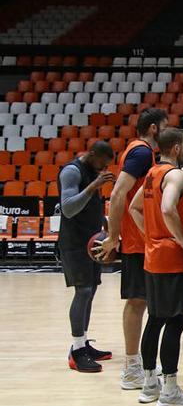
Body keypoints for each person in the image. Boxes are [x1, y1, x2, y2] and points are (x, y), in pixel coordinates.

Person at [128, 127, 183, 406]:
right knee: (175, 321)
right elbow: (168, 208)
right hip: (172, 259)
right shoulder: (175, 174)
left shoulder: (151, 174)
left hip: (152, 256)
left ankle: (150, 384)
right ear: (175, 148)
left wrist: (153, 235)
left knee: (156, 319)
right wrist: (179, 238)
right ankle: (170, 391)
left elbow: (134, 208)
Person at [98, 107, 167, 390]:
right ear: (153, 129)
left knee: (143, 302)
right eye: (164, 126)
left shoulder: (138, 151)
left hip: (141, 238)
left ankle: (138, 363)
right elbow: (117, 193)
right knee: (138, 302)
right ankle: (130, 367)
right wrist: (113, 236)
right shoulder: (140, 153)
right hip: (137, 241)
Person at [58, 140, 115, 372]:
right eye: (102, 162)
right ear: (92, 154)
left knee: (90, 290)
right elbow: (68, 208)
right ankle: (76, 350)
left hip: (91, 240)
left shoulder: (92, 171)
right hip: (73, 242)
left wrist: (105, 225)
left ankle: (83, 343)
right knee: (82, 291)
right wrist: (93, 186)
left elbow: (91, 206)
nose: (103, 168)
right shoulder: (72, 172)